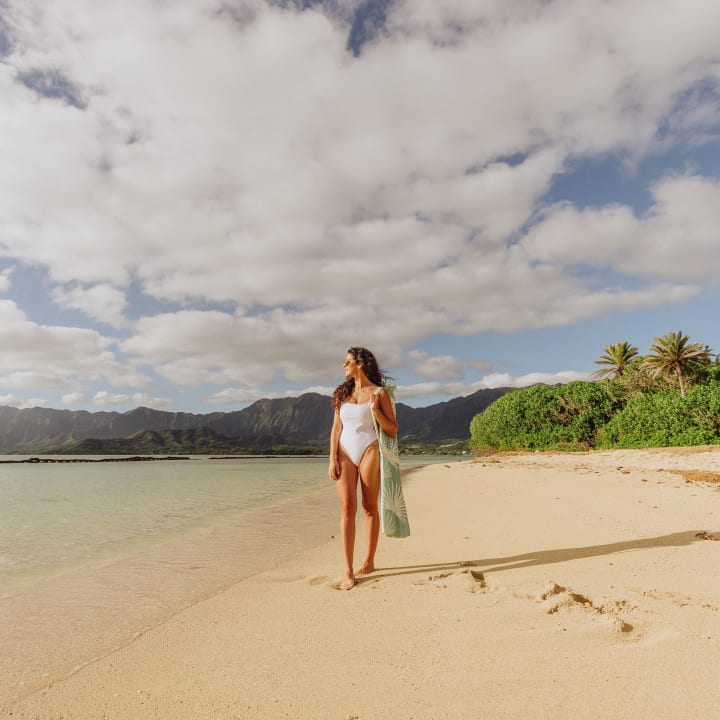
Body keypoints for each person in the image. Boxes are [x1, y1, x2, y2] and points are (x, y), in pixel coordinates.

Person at [328, 347, 398, 590]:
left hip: (369, 449)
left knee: (369, 507)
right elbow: (336, 429)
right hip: (344, 452)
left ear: (360, 363)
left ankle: (368, 561)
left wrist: (376, 410)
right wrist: (331, 458)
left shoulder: (380, 393)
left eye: (347, 361)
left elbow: (392, 429)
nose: (343, 365)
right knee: (347, 507)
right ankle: (348, 570)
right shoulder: (341, 394)